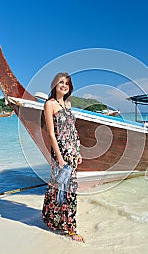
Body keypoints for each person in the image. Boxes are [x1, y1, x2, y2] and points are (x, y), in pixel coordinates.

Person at [41, 72, 85, 243]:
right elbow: (52, 133)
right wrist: (59, 157)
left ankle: (50, 219)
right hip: (62, 153)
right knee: (69, 190)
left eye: (67, 83)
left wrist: (78, 151)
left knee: (57, 188)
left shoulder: (68, 104)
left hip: (73, 152)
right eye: (60, 82)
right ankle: (71, 229)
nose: (64, 85)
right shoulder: (49, 104)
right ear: (54, 85)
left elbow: (72, 131)